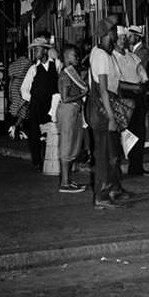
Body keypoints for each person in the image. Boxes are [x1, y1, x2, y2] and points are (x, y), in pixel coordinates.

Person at [87, 18, 127, 209]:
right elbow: (102, 89)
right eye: (114, 32)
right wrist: (111, 117)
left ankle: (112, 189)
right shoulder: (101, 56)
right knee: (103, 154)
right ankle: (101, 195)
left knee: (112, 152)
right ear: (108, 34)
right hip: (102, 110)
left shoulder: (104, 53)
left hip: (106, 106)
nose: (116, 36)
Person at [21, 37, 59, 172]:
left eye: (37, 49)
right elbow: (23, 90)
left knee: (52, 132)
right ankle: (37, 161)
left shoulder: (56, 65)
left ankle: (52, 159)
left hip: (52, 105)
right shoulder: (33, 69)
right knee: (35, 134)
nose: (35, 52)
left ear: (45, 50)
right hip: (37, 105)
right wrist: (34, 99)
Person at [53, 45, 88, 193]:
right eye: (74, 55)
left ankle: (68, 180)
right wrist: (83, 93)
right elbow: (66, 98)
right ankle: (64, 183)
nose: (77, 58)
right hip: (68, 110)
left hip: (74, 110)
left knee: (73, 145)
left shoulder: (72, 72)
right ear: (66, 56)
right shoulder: (66, 74)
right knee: (67, 146)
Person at [121, 25, 149, 176]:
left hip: (137, 92)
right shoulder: (128, 53)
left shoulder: (141, 52)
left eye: (130, 36)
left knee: (137, 130)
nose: (127, 39)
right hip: (130, 93)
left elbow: (139, 72)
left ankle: (137, 165)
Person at [7, 44, 32, 140]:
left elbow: (11, 80)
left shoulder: (13, 64)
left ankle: (21, 131)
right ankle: (16, 126)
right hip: (24, 86)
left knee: (18, 109)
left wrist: (9, 92)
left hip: (14, 86)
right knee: (24, 109)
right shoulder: (28, 63)